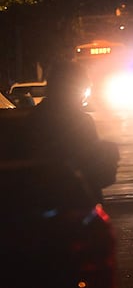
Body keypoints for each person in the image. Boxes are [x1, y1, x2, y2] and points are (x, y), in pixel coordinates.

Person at [28, 59, 118, 202]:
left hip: (38, 199)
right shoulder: (81, 121)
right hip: (77, 199)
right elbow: (91, 163)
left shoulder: (32, 118)